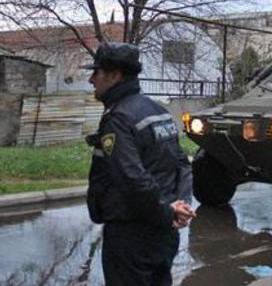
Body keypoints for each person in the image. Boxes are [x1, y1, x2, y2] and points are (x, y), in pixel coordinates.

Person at [82, 42, 195, 286]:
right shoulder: (158, 111)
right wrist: (180, 208)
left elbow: (132, 178)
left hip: (132, 235)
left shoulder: (119, 118)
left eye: (96, 72)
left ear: (114, 75)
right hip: (163, 233)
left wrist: (169, 213)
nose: (91, 79)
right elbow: (183, 165)